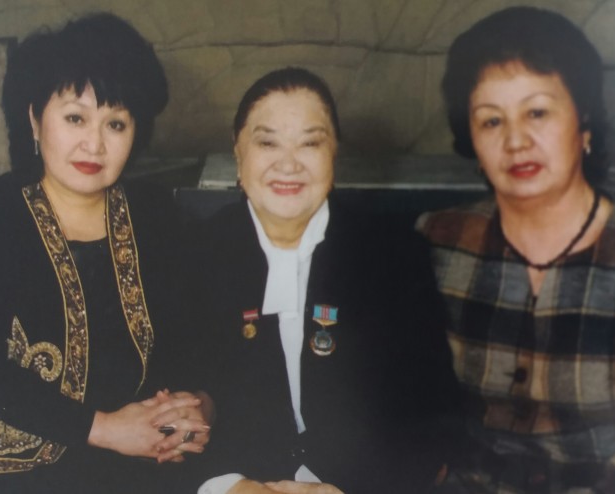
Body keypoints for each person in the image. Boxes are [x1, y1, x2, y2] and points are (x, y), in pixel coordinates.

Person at [0, 13, 210, 493]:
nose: (94, 143)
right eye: (75, 118)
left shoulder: (158, 218)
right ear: (34, 120)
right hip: (5, 475)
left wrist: (191, 410)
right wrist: (104, 428)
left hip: (133, 469)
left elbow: (189, 343)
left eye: (116, 123)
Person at [173, 67, 461, 494]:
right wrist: (226, 485)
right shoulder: (193, 253)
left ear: (334, 153)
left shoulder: (393, 253)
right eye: (267, 142)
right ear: (238, 151)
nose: (288, 164)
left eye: (310, 143)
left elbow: (431, 410)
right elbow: (175, 402)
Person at [416, 6, 615, 493]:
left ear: (584, 121)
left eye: (537, 112)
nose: (515, 140)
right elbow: (407, 406)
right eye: (491, 121)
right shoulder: (438, 241)